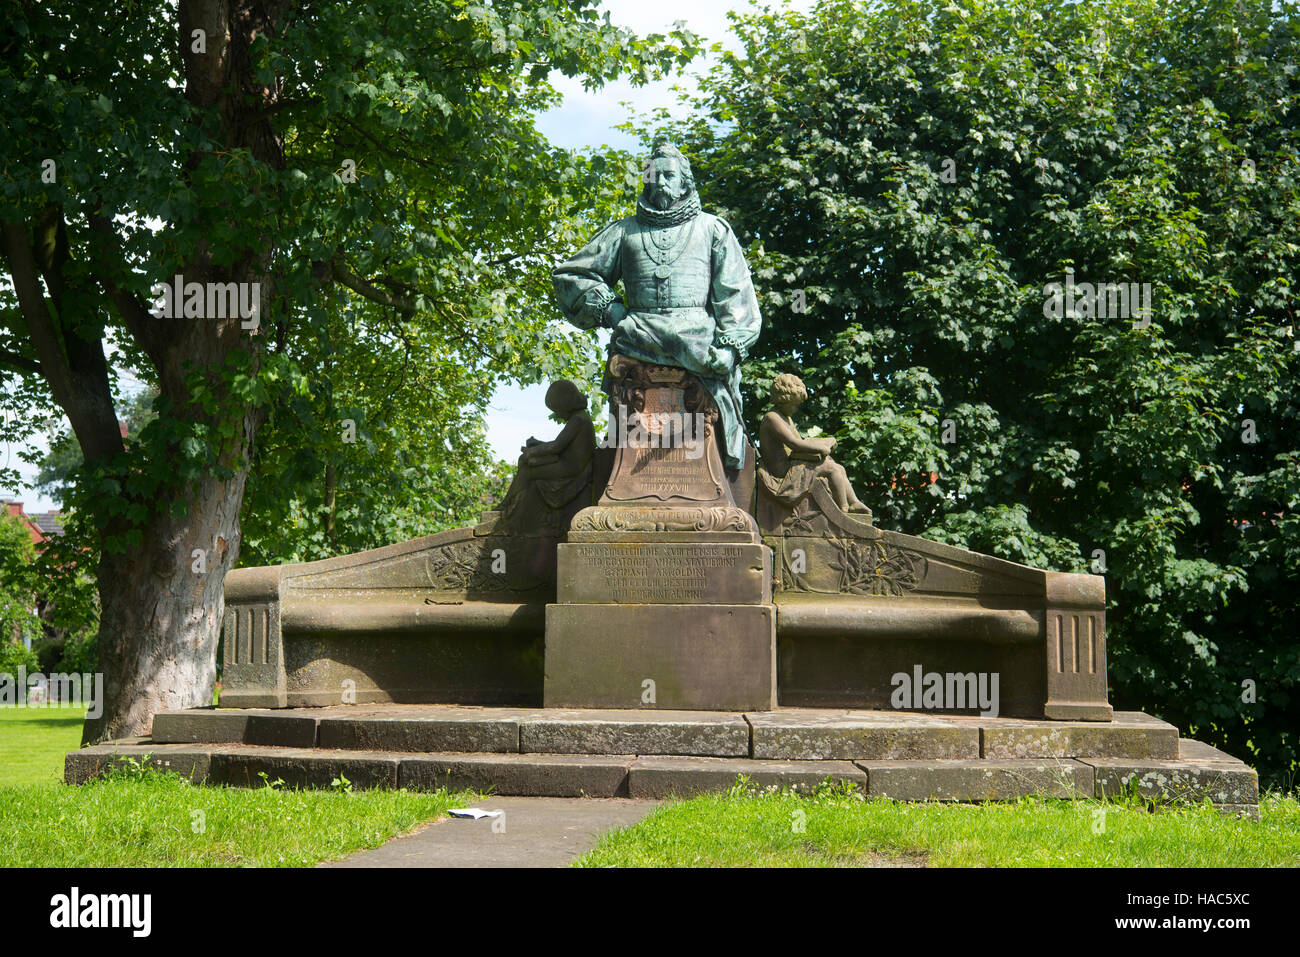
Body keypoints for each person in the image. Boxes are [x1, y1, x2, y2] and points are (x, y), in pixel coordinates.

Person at [552, 143, 762, 471]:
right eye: (655, 176)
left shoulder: (712, 229)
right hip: (637, 334)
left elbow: (737, 297)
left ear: (684, 183)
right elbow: (571, 274)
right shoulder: (624, 231)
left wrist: (731, 351)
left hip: (697, 341)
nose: (661, 182)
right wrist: (610, 310)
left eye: (669, 175)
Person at [758, 373, 870, 514]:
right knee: (831, 469)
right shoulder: (772, 418)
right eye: (794, 405)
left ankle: (853, 502)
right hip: (781, 474)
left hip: (791, 463)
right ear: (783, 400)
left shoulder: (786, 417)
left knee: (839, 467)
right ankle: (843, 510)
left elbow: (801, 442)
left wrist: (825, 442)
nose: (796, 409)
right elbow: (794, 443)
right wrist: (821, 448)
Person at [495, 380, 595, 529]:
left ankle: (505, 506)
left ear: (565, 404)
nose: (557, 414)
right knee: (525, 460)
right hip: (565, 462)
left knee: (527, 472)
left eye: (556, 409)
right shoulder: (580, 418)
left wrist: (532, 451)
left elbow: (556, 447)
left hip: (571, 468)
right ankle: (514, 505)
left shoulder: (578, 420)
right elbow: (560, 445)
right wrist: (538, 443)